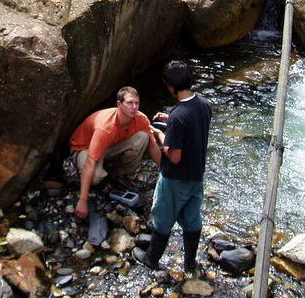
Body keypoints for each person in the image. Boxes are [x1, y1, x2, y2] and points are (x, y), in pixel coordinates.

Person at [132, 61, 212, 272]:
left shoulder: (178, 116)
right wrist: (170, 121)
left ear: (170, 86)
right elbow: (193, 128)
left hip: (175, 177)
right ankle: (190, 263)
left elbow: (174, 155)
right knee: (192, 218)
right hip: (196, 174)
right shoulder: (204, 104)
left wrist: (160, 134)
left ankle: (151, 258)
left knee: (162, 216)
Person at [69, 86, 162, 219]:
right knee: (95, 178)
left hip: (109, 147)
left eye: (137, 103)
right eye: (129, 103)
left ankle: (117, 172)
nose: (134, 107)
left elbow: (153, 147)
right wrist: (83, 200)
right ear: (119, 104)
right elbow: (90, 161)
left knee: (143, 137)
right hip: (84, 148)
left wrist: (166, 171)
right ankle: (90, 175)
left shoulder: (141, 119)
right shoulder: (106, 127)